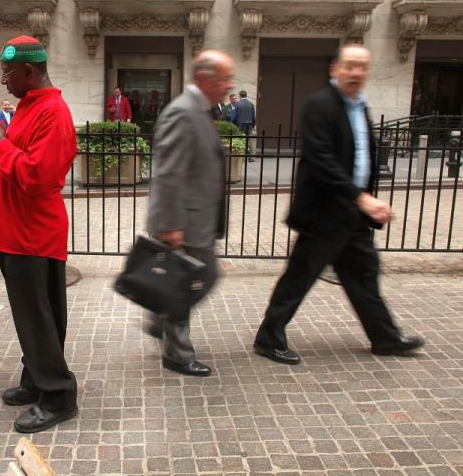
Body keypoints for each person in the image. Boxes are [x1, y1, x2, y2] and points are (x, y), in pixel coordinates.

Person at [253, 44, 424, 366]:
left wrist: (365, 200)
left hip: (353, 213)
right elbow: (321, 160)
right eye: (350, 66)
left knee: (363, 277)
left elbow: (361, 156)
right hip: (324, 213)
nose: (356, 72)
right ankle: (268, 338)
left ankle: (385, 337)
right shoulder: (319, 105)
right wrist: (361, 197)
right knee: (299, 278)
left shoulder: (360, 106)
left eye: (362, 66)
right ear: (335, 69)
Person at [0, 36, 78, 433]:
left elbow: (38, 177)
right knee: (37, 315)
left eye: (7, 72)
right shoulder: (28, 107)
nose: (3, 79)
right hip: (18, 232)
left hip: (32, 234)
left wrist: (0, 144)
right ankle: (36, 378)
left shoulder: (52, 113)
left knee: (37, 316)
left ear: (29, 71)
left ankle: (57, 395)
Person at [144, 50, 233, 377]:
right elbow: (167, 173)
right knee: (192, 282)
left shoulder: (201, 110)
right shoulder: (183, 112)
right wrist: (170, 225)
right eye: (225, 78)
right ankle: (177, 355)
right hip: (183, 222)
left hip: (196, 219)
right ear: (205, 78)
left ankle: (160, 317)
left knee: (196, 279)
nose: (229, 85)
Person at [230, 89, 256, 160]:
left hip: (240, 124)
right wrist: (253, 125)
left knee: (241, 140)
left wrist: (231, 123)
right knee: (249, 140)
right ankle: (251, 157)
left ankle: (242, 157)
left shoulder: (237, 104)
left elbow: (234, 116)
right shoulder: (251, 104)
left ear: (240, 96)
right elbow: (254, 116)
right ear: (246, 95)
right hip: (249, 124)